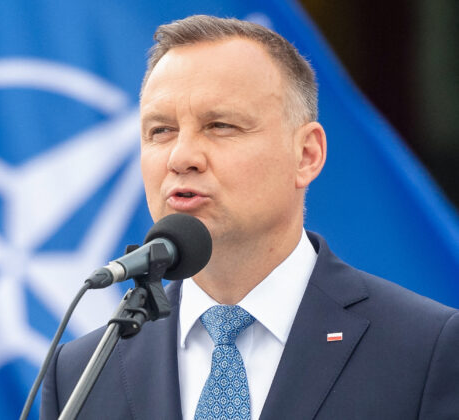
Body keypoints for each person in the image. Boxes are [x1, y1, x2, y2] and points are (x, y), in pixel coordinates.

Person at [41, 15, 459, 420]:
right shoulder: (80, 372)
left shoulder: (427, 349)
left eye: (220, 125)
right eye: (160, 131)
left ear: (306, 155)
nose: (181, 157)